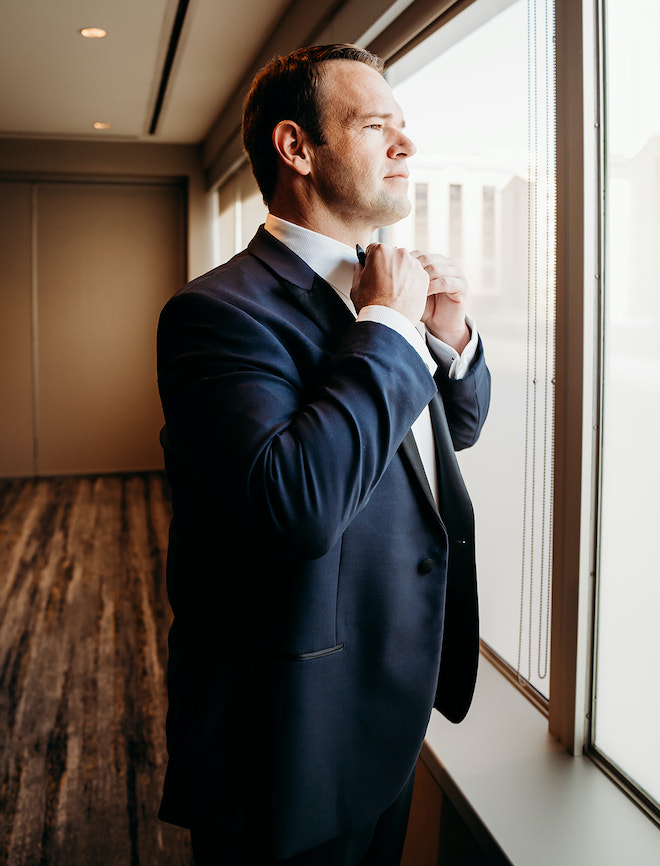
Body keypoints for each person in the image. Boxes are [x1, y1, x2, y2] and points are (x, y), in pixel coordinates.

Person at [156, 43, 490, 866]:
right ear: (297, 149)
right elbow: (296, 506)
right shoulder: (215, 315)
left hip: (390, 703)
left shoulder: (388, 290)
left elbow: (452, 434)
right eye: (379, 126)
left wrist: (446, 337)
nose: (407, 146)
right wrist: (385, 329)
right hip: (288, 734)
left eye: (404, 127)